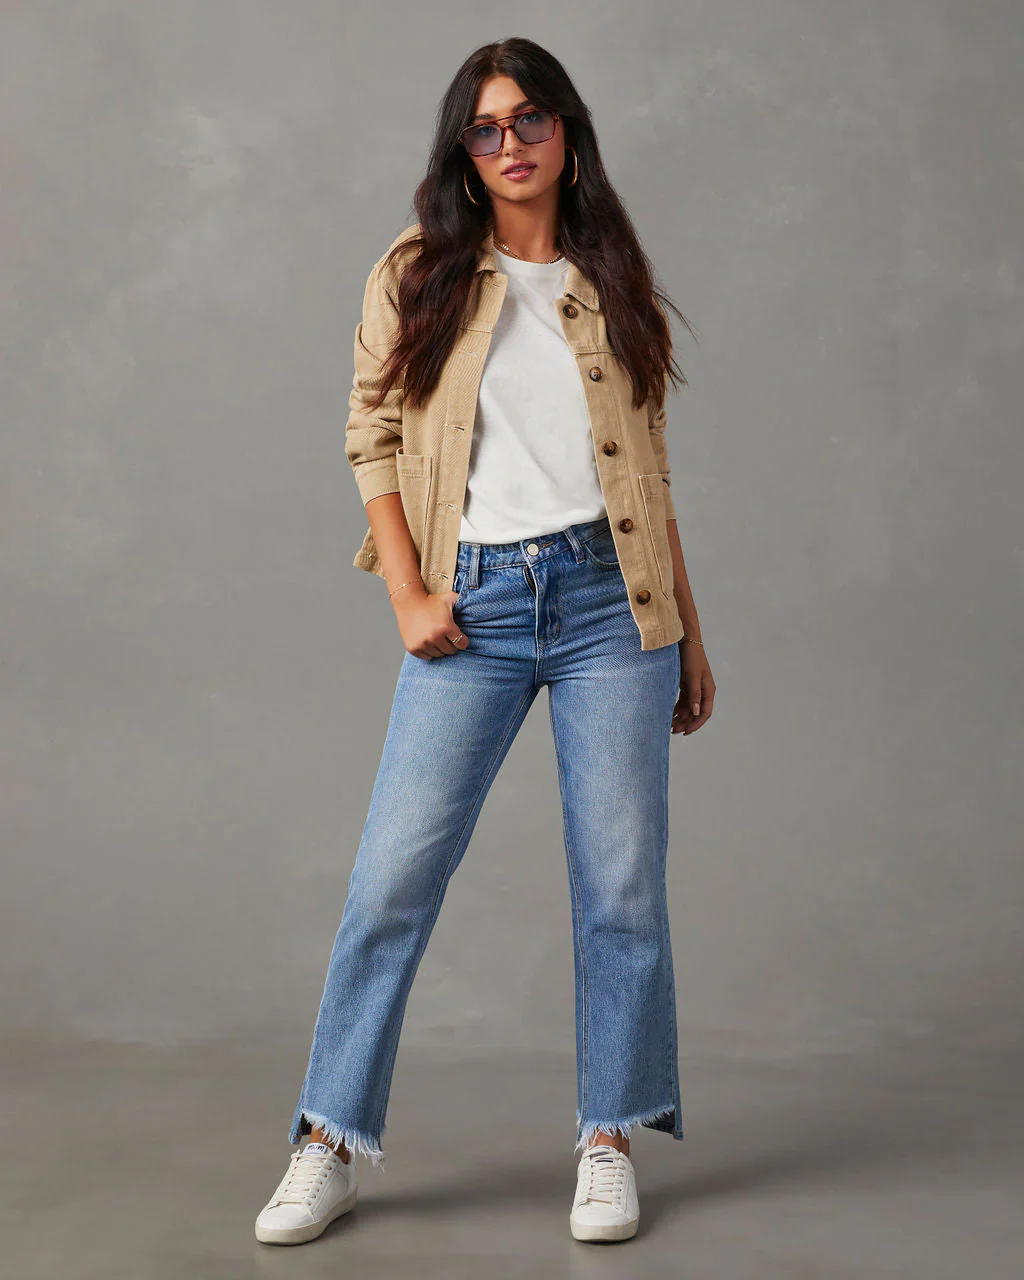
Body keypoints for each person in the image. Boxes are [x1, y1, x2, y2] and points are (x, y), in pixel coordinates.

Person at [256, 36, 715, 1247]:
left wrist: (686, 628)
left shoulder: (610, 274)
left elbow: (650, 471)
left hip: (615, 605)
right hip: (476, 605)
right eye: (486, 128)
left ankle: (608, 1135)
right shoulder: (417, 270)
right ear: (463, 150)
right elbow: (370, 433)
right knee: (392, 878)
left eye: (530, 121)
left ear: (567, 133)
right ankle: (327, 1139)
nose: (510, 145)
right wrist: (408, 594)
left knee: (621, 885)